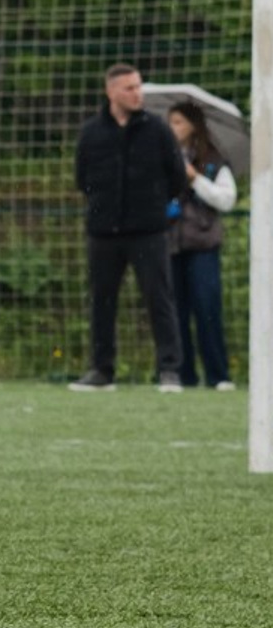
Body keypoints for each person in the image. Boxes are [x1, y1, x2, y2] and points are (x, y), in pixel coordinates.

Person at [70, 63, 187, 393]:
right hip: (103, 232)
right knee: (102, 302)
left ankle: (169, 370)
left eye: (139, 86)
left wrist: (152, 205)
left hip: (149, 232)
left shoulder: (158, 130)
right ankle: (102, 370)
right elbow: (81, 178)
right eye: (129, 88)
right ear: (111, 92)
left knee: (159, 299)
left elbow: (177, 176)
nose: (138, 93)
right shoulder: (91, 132)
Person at [166, 100, 237, 391]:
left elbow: (226, 199)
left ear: (193, 126)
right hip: (170, 244)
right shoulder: (163, 159)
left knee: (207, 308)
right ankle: (183, 375)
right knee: (175, 312)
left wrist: (195, 179)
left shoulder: (213, 160)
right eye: (170, 122)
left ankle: (218, 375)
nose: (172, 128)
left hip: (203, 244)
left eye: (178, 122)